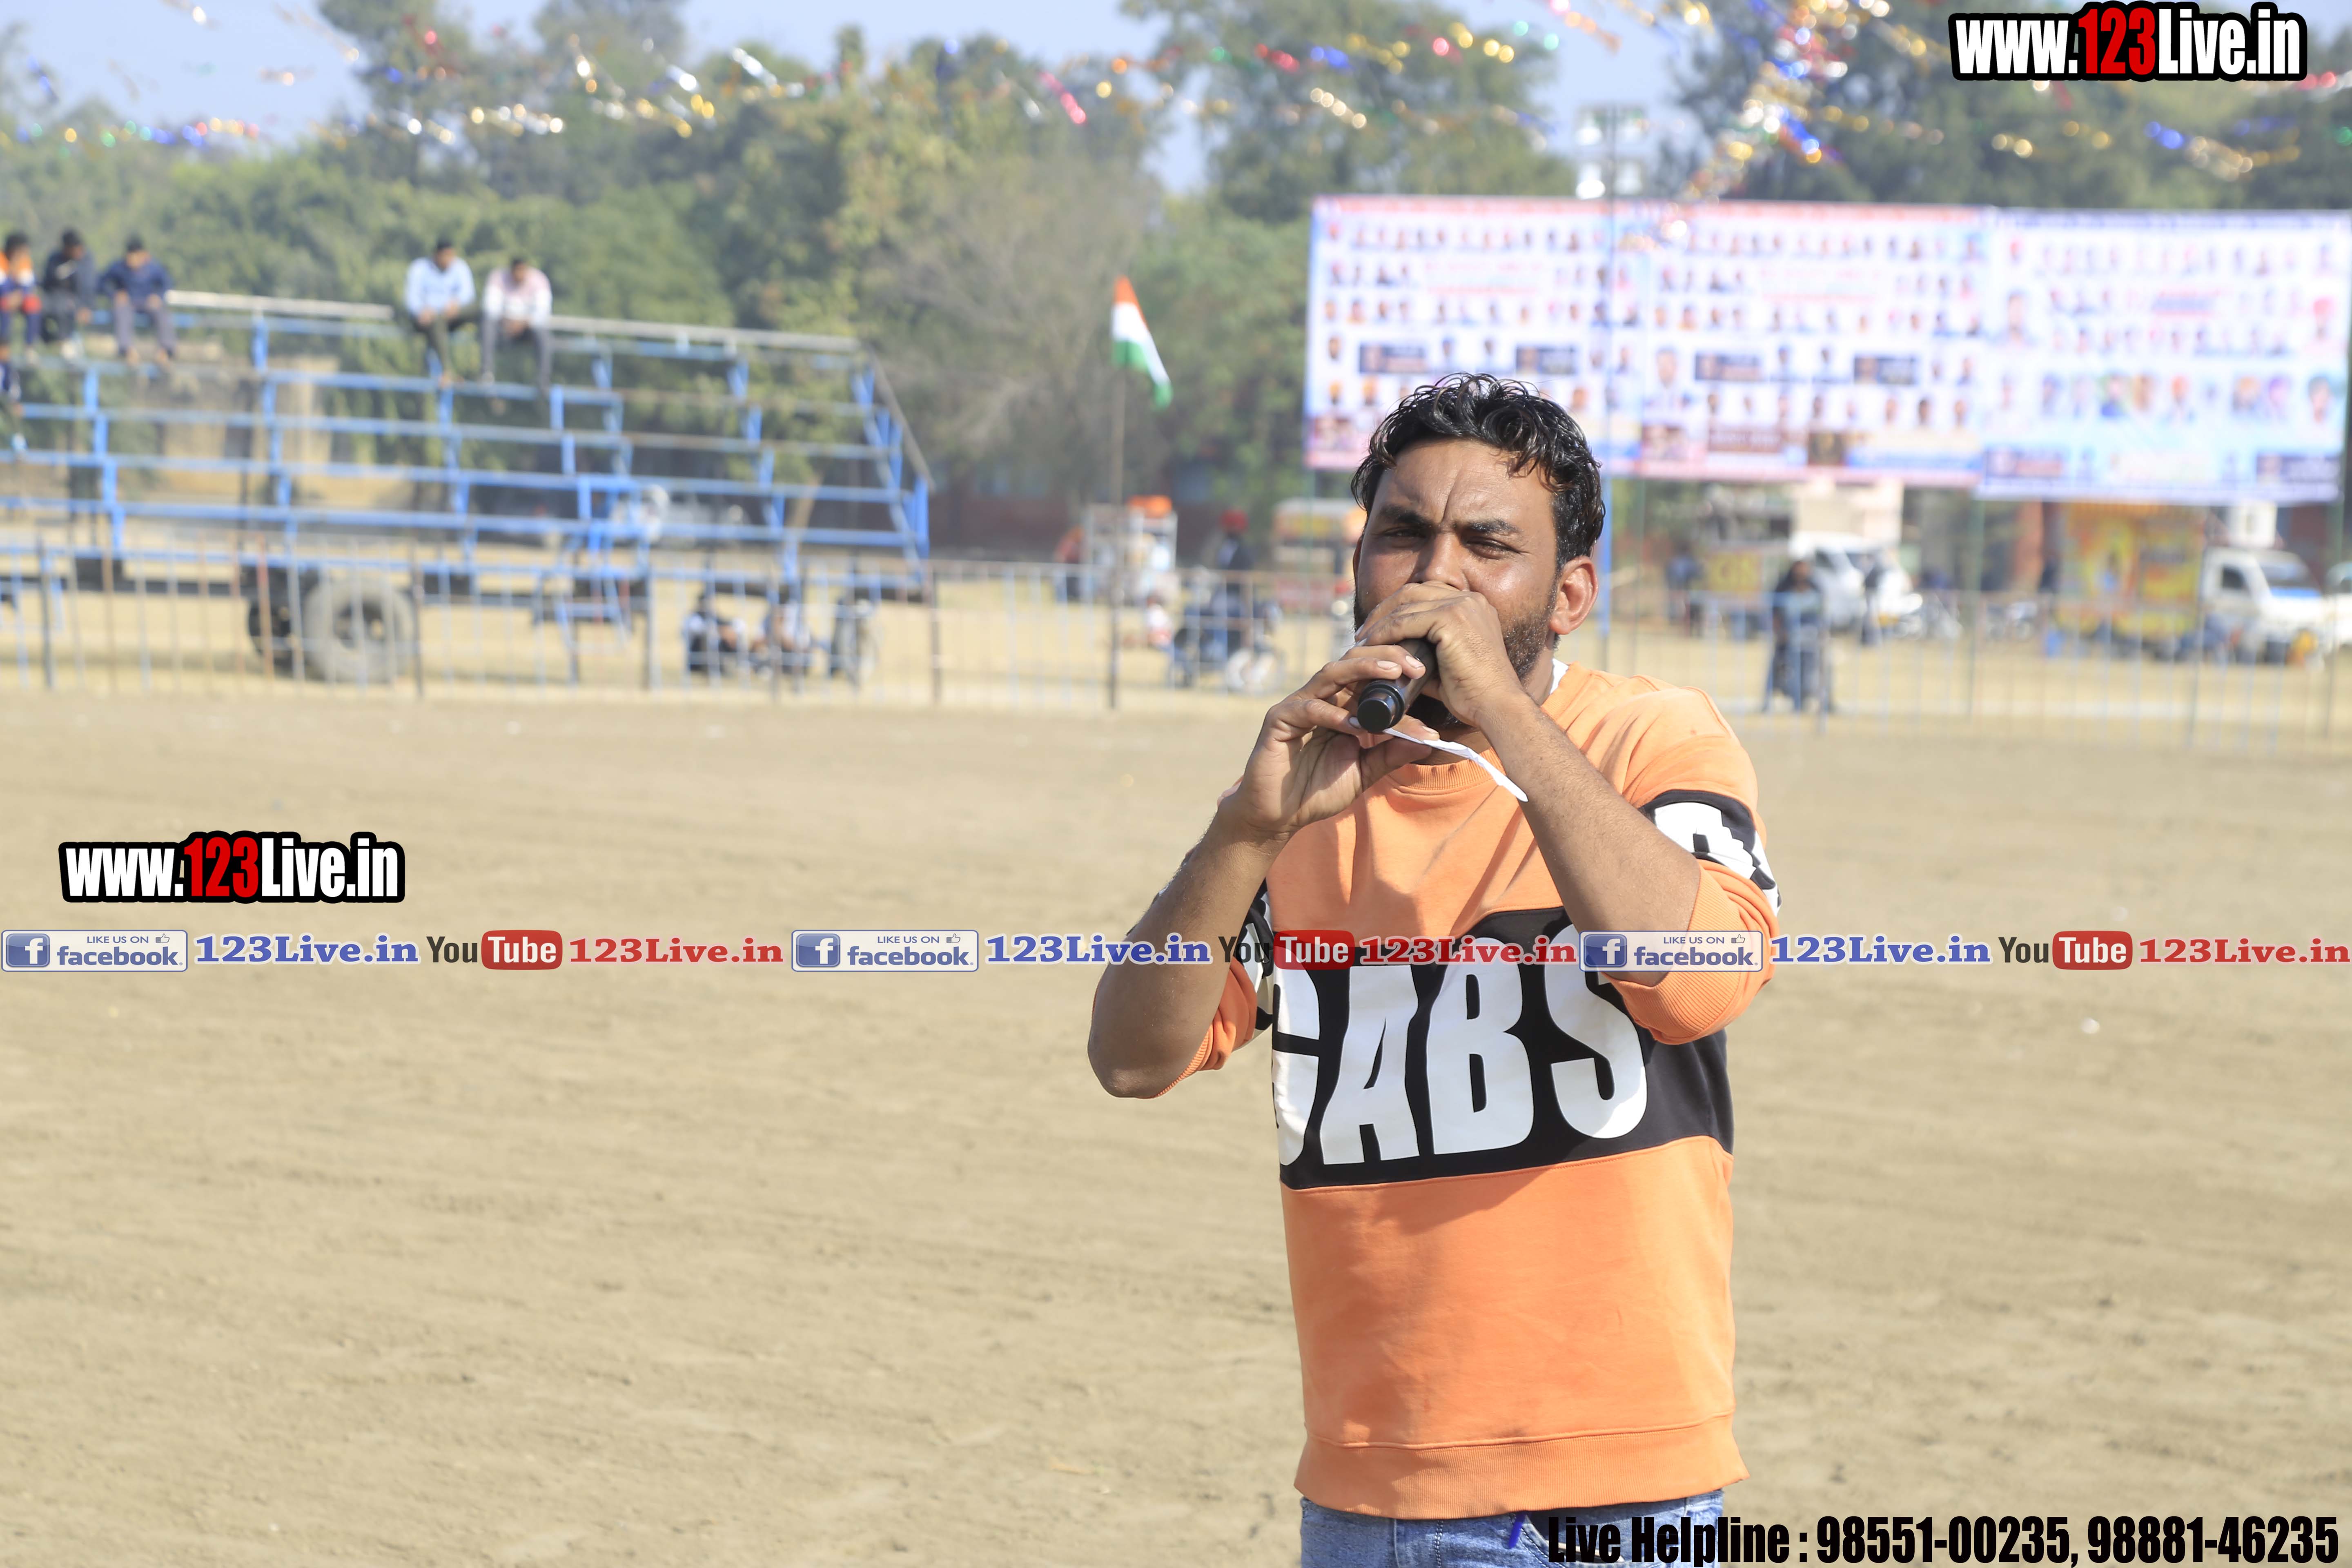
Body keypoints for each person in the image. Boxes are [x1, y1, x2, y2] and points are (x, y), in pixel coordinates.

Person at [1087, 374, 1780, 1567]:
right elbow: (1131, 1056)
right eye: (1403, 534)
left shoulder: (1651, 738)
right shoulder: (1308, 790)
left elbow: (1697, 980)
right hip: (1391, 1489)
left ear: (1570, 594)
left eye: (1487, 546)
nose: (1435, 575)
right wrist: (1247, 827)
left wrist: (1502, 710)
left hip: (1633, 1484)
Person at [402, 237, 478, 385]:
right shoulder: (419, 268)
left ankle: (482, 373)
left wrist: (455, 304)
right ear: (436, 255)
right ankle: (447, 372)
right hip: (427, 319)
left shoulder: (460, 267)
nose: (449, 260)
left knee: (482, 311)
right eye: (446, 256)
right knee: (437, 323)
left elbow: (468, 294)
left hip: (454, 315)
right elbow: (411, 299)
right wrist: (421, 311)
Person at [480, 254, 553, 395]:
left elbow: (543, 312)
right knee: (487, 325)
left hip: (528, 330)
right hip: (504, 328)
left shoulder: (539, 280)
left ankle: (543, 380)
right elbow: (490, 308)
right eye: (517, 271)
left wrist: (523, 324)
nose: (519, 275)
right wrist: (508, 322)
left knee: (544, 334)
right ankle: (486, 373)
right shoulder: (498, 278)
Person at [98, 236, 176, 363]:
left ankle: (165, 351)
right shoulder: (119, 267)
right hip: (128, 303)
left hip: (148, 302)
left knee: (162, 314)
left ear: (143, 255)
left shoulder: (153, 268)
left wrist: (158, 296)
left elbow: (167, 282)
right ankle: (127, 350)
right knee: (121, 312)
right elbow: (102, 283)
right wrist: (115, 295)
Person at [1765, 555, 1826, 712]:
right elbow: (1775, 613)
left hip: (1810, 639)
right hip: (1787, 638)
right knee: (1777, 668)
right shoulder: (1783, 587)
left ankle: (1816, 702)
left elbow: (1821, 615)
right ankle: (1768, 701)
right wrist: (1780, 633)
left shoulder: (1815, 587)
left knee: (1815, 668)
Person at [39, 229, 94, 352]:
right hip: (53, 297)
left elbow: (88, 286)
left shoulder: (86, 261)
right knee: (38, 307)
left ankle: (65, 341)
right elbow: (47, 282)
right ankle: (47, 340)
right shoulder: (55, 259)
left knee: (65, 307)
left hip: (73, 300)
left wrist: (86, 306)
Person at [0, 234, 39, 403]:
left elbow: (28, 287)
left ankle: (30, 346)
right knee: (4, 305)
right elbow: (2, 288)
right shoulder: (2, 260)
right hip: (4, 301)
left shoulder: (24, 261)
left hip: (16, 300)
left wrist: (19, 296)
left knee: (33, 304)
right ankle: (4, 344)